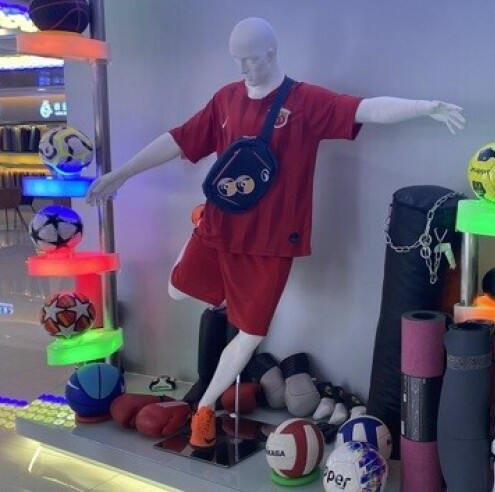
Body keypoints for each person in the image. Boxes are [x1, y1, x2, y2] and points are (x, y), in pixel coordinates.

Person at [85, 17, 464, 448]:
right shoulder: (226, 99)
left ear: (271, 54)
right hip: (217, 227)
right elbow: (179, 139)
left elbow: (365, 109)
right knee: (175, 291)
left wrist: (423, 106)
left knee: (251, 335)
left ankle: (204, 408)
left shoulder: (304, 101)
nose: (242, 68)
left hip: (269, 244)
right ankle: (218, 291)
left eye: (250, 59)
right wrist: (121, 173)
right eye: (236, 60)